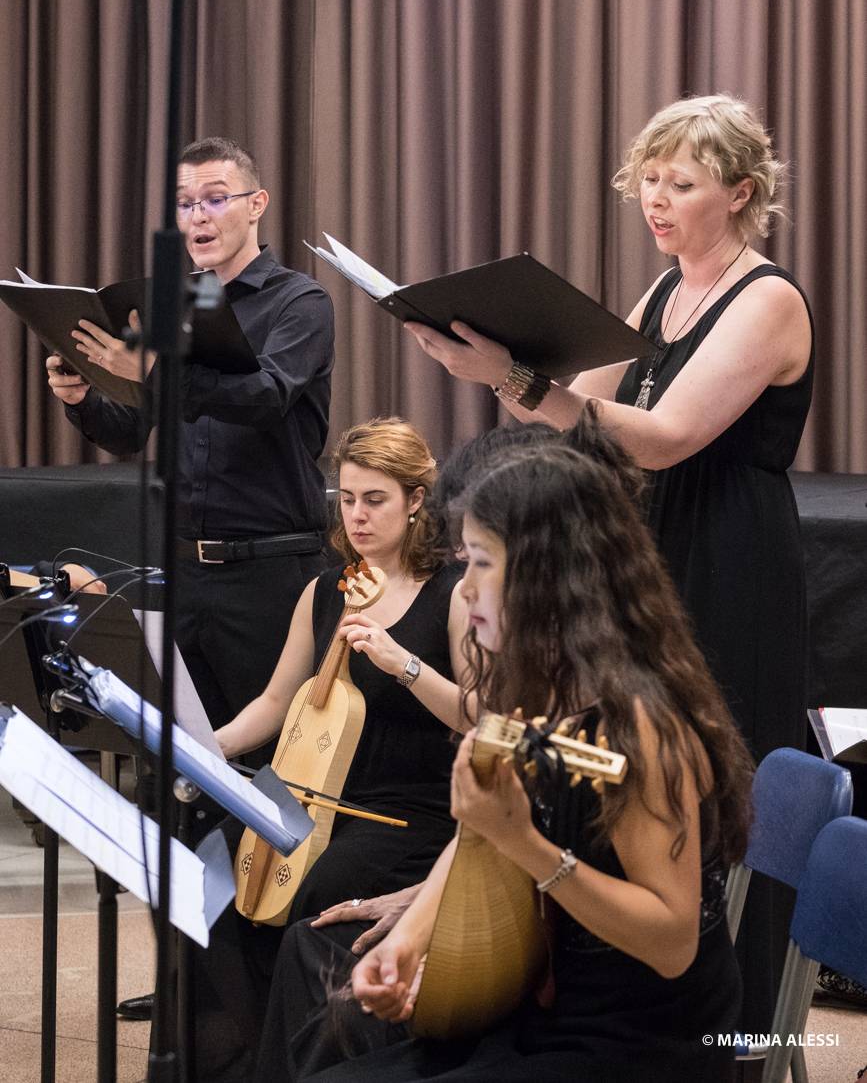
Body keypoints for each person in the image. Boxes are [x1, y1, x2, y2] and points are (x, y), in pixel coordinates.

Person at [403, 95, 813, 1031]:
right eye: (648, 182)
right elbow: (575, 415)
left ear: (740, 192)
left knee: (718, 773)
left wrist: (513, 380)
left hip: (730, 555)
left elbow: (661, 438)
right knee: (636, 771)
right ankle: (632, 997)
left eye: (682, 183)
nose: (656, 201)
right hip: (651, 548)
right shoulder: (664, 291)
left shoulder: (770, 297)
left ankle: (732, 1024)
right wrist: (487, 362)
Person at [291, 433, 754, 1083]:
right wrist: (404, 945)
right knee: (331, 1028)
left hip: (642, 1040)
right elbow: (478, 832)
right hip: (549, 1000)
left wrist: (526, 844)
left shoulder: (638, 724)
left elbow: (673, 942)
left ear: (545, 576)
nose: (465, 587)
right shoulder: (538, 687)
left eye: (481, 563)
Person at [194, 416, 469, 1082]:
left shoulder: (454, 593)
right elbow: (274, 701)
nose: (357, 517)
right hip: (311, 795)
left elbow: (481, 716)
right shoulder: (324, 591)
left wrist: (402, 662)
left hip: (409, 812)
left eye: (374, 500)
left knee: (312, 899)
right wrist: (200, 747)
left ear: (414, 499)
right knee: (204, 884)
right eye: (346, 500)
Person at [45, 137, 335, 745]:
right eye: (183, 204)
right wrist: (83, 398)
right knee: (187, 760)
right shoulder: (172, 306)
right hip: (182, 571)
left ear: (256, 204)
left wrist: (156, 371)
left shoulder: (300, 301)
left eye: (214, 199)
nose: (197, 217)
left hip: (270, 571)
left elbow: (266, 397)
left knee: (267, 756)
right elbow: (129, 431)